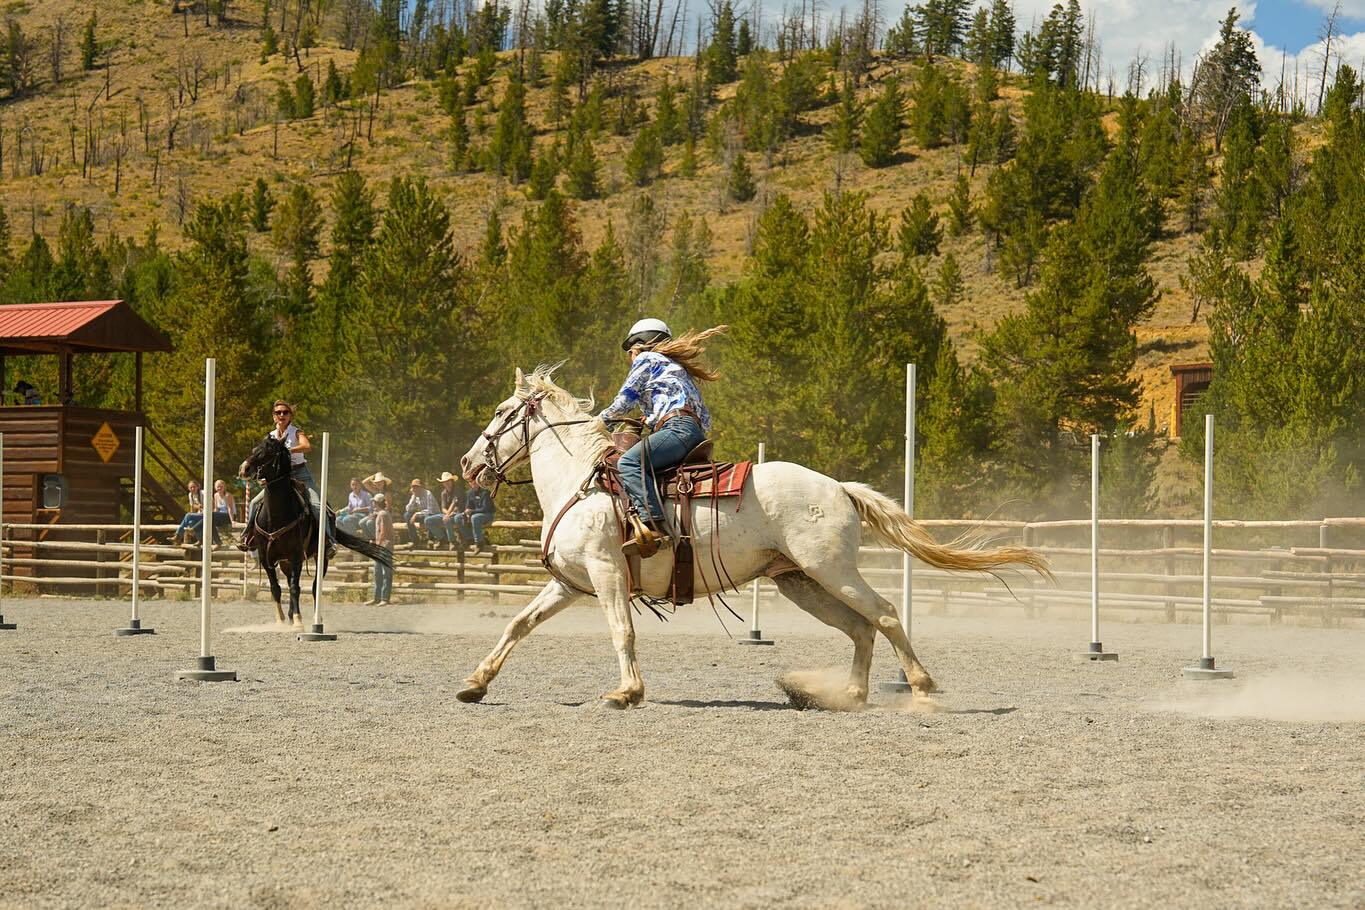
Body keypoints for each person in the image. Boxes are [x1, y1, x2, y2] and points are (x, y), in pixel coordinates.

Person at [599, 319, 725, 557]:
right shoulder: (678, 370)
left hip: (677, 429)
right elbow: (704, 419)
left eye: (629, 352)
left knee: (629, 463)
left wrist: (600, 422)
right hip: (691, 431)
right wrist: (654, 420)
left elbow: (625, 400)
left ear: (638, 346)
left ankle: (654, 527)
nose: (629, 357)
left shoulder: (647, 360)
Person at [238, 400, 334, 557]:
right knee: (255, 503)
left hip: (301, 475)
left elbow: (306, 446)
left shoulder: (297, 432)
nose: (281, 415)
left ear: (290, 416)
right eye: (278, 413)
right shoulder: (270, 436)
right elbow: (263, 457)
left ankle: (329, 542)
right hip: (280, 478)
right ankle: (248, 537)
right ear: (274, 416)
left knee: (317, 505)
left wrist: (286, 450)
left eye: (285, 412)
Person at [365, 493, 394, 606]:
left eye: (374, 502)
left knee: (385, 573)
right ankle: (377, 597)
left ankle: (384, 598)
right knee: (378, 572)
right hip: (382, 545)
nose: (373, 503)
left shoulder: (382, 514)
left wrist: (378, 544)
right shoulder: (382, 513)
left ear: (378, 503)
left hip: (384, 546)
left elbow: (383, 531)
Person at [423, 472, 464, 549]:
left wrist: (448, 514)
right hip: (447, 515)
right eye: (445, 482)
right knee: (427, 520)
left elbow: (455, 504)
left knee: (447, 520)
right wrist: (447, 514)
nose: (447, 483)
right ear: (443, 483)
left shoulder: (458, 490)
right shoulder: (443, 493)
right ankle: (442, 538)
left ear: (452, 481)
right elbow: (443, 508)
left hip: (458, 513)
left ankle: (452, 541)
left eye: (448, 481)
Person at [453, 481, 496, 551]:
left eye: (475, 482)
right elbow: (468, 506)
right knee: (457, 517)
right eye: (471, 482)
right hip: (476, 514)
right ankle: (469, 538)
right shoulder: (469, 493)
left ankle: (479, 542)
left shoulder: (485, 492)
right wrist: (466, 513)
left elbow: (485, 508)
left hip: (488, 514)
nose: (473, 484)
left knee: (475, 517)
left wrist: (472, 512)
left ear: (478, 482)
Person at [404, 478, 438, 547]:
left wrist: (416, 514)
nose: (414, 489)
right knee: (407, 515)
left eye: (416, 487)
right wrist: (413, 497)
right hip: (423, 515)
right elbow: (408, 509)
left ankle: (431, 539)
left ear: (421, 487)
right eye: (413, 487)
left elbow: (430, 510)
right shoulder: (415, 495)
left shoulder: (428, 494)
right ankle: (415, 541)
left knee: (428, 517)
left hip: (433, 515)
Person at [359, 472, 393, 540]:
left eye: (380, 481)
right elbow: (364, 482)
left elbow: (388, 508)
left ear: (384, 482)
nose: (378, 483)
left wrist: (377, 515)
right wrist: (374, 475)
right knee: (361, 523)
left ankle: (380, 539)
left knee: (369, 523)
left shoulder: (387, 493)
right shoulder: (376, 491)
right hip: (375, 514)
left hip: (384, 515)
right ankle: (373, 539)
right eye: (377, 482)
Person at [171, 480, 206, 545]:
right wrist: (193, 514)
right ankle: (200, 539)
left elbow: (205, 505)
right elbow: (192, 507)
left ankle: (178, 535)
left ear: (197, 487)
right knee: (191, 522)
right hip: (199, 514)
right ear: (188, 488)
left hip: (205, 514)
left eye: (194, 487)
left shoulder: (203, 493)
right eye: (191, 487)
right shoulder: (190, 495)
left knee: (188, 515)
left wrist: (197, 507)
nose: (192, 489)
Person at [210, 479, 236, 545]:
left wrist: (232, 521)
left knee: (210, 516)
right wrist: (213, 514)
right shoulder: (215, 495)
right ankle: (217, 542)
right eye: (218, 486)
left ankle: (194, 528)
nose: (219, 488)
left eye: (221, 486)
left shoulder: (227, 495)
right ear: (215, 487)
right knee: (210, 521)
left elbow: (230, 509)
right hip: (220, 515)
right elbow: (216, 508)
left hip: (229, 515)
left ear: (224, 487)